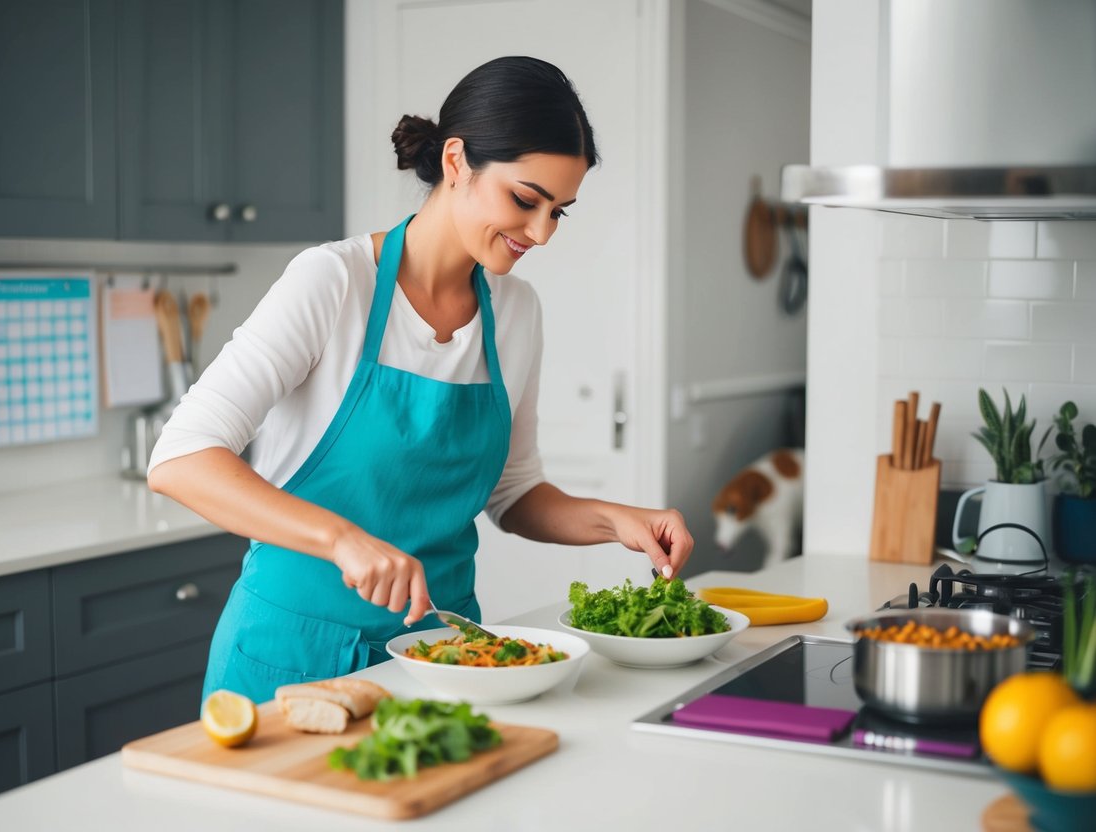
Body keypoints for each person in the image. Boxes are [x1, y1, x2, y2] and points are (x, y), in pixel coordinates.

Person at [147, 56, 695, 705]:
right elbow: (181, 458)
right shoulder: (333, 283)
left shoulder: (516, 312)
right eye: (525, 200)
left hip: (443, 654)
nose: (541, 233)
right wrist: (341, 539)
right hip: (292, 655)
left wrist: (613, 520)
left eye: (559, 212)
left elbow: (512, 492)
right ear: (457, 161)